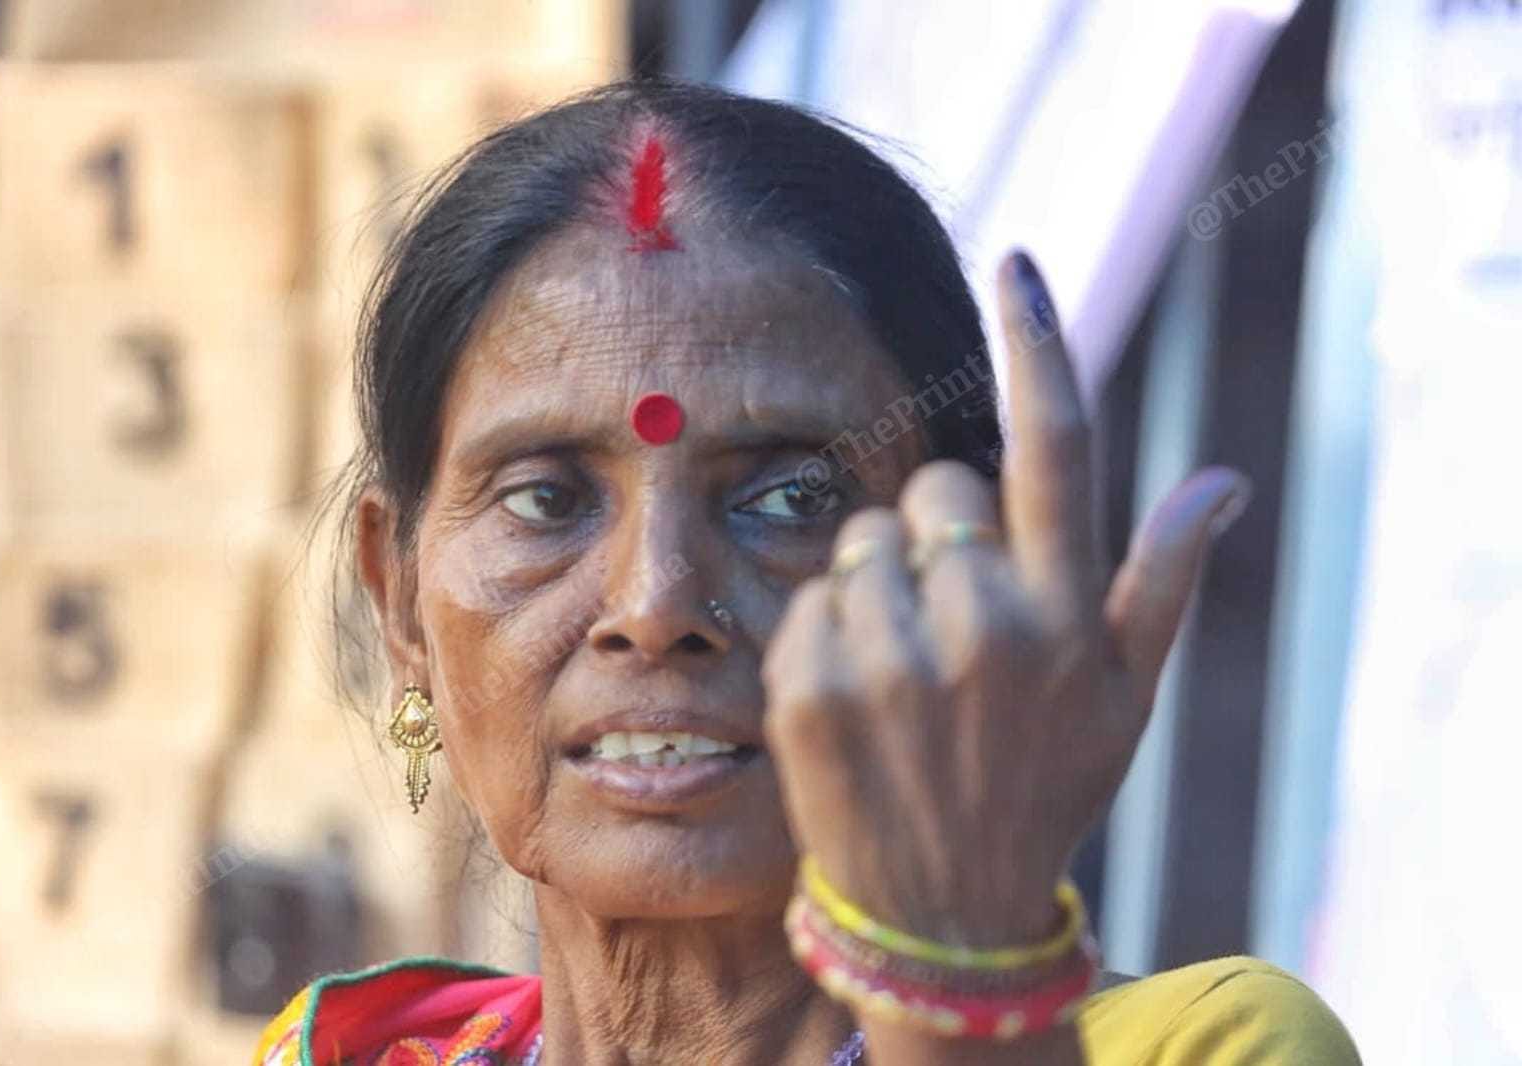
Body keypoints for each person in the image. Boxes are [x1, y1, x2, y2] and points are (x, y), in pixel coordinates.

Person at [254, 79, 1359, 1065]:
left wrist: (961, 993)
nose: (656, 604)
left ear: (968, 577)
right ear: (398, 601)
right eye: (547, 498)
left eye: (790, 495)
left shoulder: (1207, 1049)